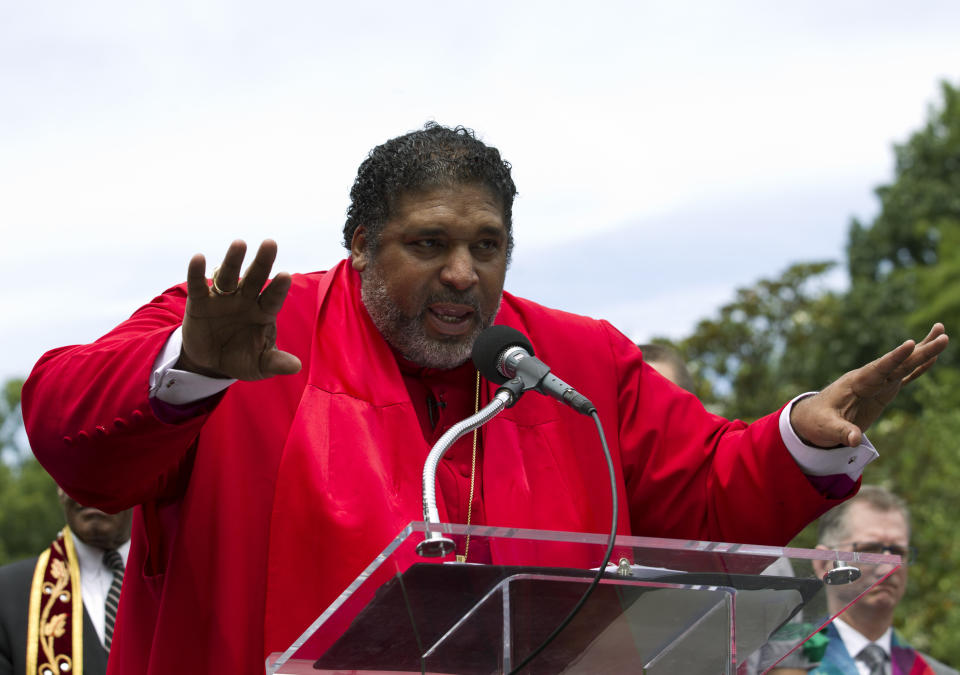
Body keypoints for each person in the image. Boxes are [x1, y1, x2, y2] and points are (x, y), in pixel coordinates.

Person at [20, 123, 948, 674]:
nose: (464, 273)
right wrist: (191, 367)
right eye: (428, 244)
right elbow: (69, 426)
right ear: (359, 243)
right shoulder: (244, 328)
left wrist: (801, 445)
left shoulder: (569, 357)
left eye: (489, 245)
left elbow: (700, 488)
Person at [807, 486, 958, 675]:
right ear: (823, 563)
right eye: (869, 550)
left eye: (898, 553)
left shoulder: (935, 673)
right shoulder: (782, 666)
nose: (888, 568)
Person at [0, 489, 132, 675]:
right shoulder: (6, 593)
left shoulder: (180, 590)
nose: (90, 486)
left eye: (106, 469)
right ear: (59, 489)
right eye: (77, 472)